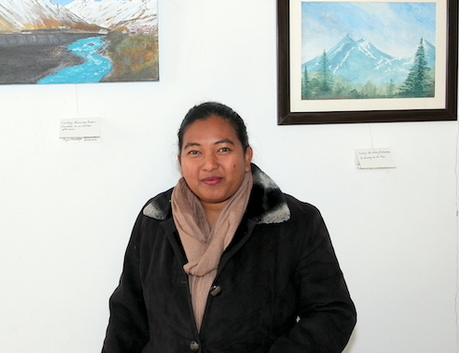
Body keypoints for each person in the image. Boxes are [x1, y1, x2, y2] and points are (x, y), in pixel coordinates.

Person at [102, 101, 356, 353]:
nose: (210, 164)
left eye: (223, 149)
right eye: (195, 152)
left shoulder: (293, 221)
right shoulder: (155, 218)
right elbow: (128, 316)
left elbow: (332, 313)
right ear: (180, 161)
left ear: (246, 157)